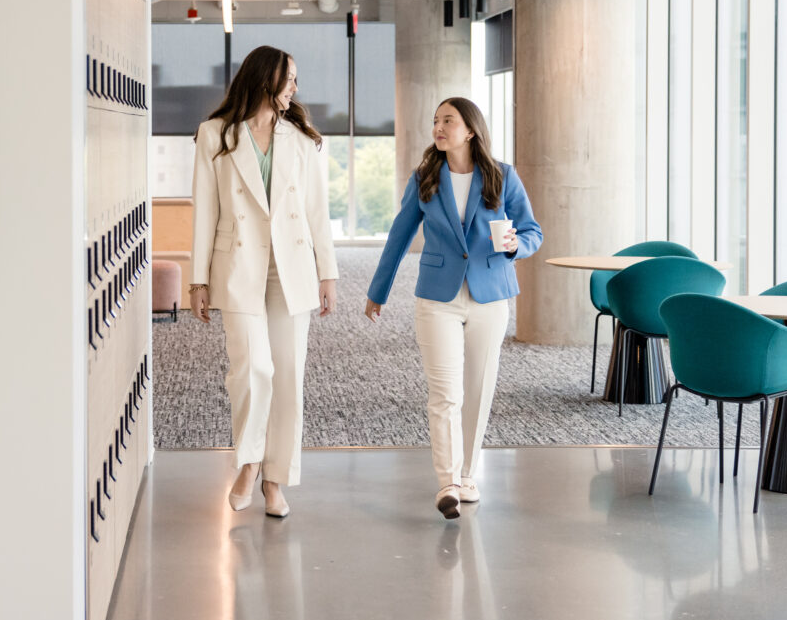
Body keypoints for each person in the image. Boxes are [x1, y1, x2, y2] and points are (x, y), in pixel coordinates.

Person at [364, 97, 541, 519]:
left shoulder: (503, 176)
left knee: (477, 391)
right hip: (437, 298)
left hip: (491, 294)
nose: (438, 128)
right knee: (445, 393)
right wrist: (378, 290)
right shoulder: (425, 177)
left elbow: (533, 230)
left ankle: (466, 474)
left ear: (470, 130)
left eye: (448, 120)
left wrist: (518, 245)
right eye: (436, 121)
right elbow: (399, 235)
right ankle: (447, 482)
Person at [190, 45, 338, 518]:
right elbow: (205, 212)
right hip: (238, 267)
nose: (295, 88)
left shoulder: (301, 138)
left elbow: (318, 212)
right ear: (265, 80)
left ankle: (275, 481)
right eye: (289, 79)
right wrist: (198, 280)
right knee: (253, 370)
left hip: (290, 268)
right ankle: (249, 462)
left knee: (289, 376)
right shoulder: (215, 135)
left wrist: (327, 272)